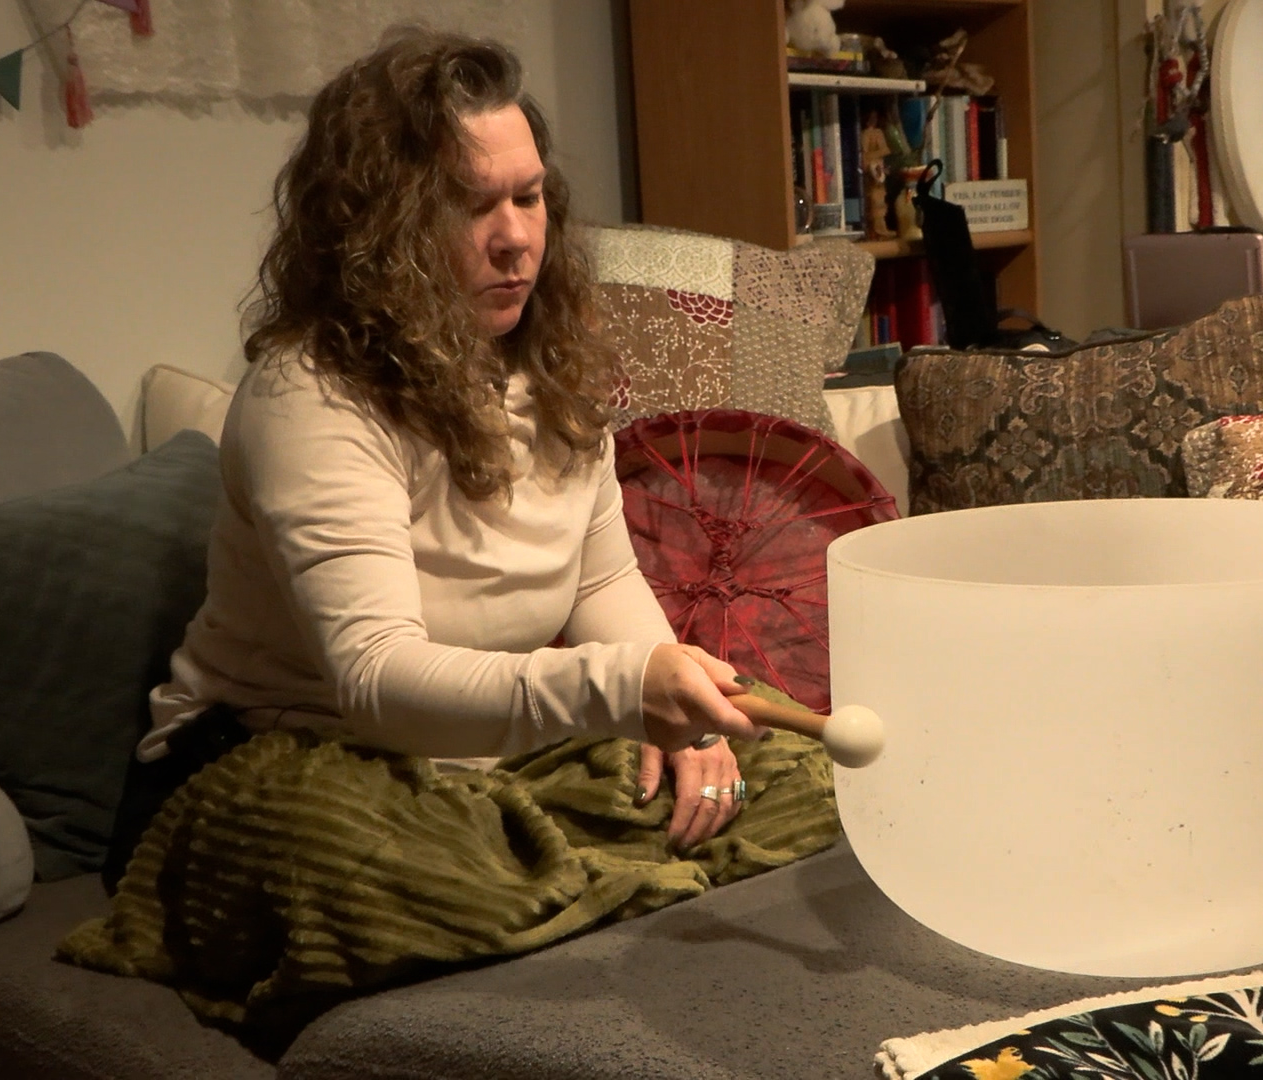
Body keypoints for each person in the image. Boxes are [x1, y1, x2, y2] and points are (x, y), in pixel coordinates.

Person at [104, 28, 766, 891]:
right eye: (469, 204)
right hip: (281, 764)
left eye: (529, 197)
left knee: (782, 771)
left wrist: (686, 730)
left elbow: (599, 581)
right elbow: (376, 678)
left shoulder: (553, 366)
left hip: (475, 766)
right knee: (459, 879)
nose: (515, 238)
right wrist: (620, 688)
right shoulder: (309, 392)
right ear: (380, 225)